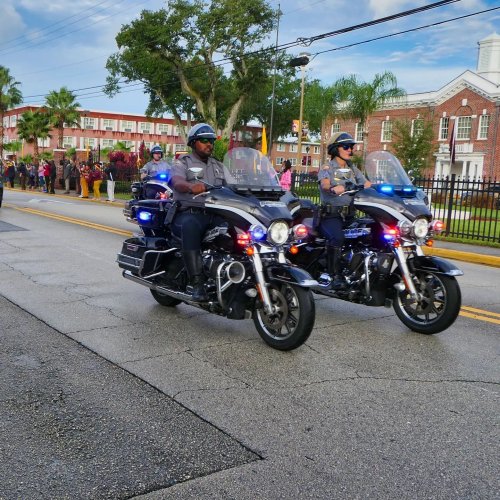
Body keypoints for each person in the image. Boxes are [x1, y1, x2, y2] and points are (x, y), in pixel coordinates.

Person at [169, 123, 231, 302]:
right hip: (188, 213)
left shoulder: (219, 165)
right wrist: (190, 186)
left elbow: (233, 186)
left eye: (211, 141)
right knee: (190, 226)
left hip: (215, 214)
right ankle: (197, 283)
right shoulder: (183, 162)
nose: (209, 144)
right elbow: (177, 182)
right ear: (193, 142)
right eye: (204, 140)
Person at [317, 132, 371, 289]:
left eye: (352, 147)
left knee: (369, 233)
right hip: (331, 215)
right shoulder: (327, 168)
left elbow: (367, 184)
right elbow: (325, 185)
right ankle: (335, 276)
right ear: (336, 149)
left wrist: (383, 189)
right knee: (337, 238)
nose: (350, 150)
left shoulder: (353, 169)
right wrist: (334, 189)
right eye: (346, 146)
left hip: (351, 215)